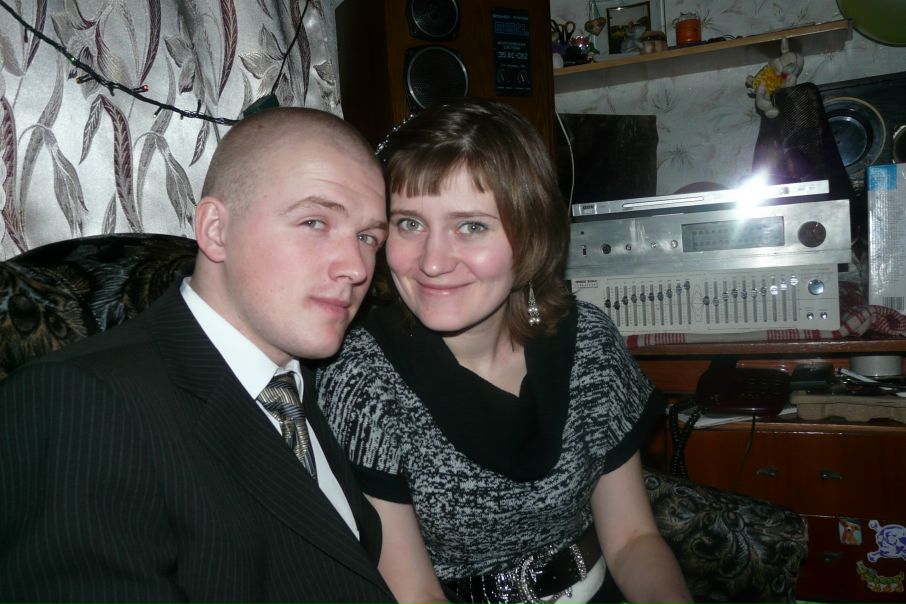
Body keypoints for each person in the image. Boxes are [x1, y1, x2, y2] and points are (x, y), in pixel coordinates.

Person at [0, 107, 396, 603]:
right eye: (314, 221)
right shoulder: (79, 402)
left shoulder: (304, 383)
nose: (356, 267)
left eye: (367, 237)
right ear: (215, 230)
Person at [317, 98, 693, 604]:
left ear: (530, 235)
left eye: (471, 226)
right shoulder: (361, 376)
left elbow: (632, 540)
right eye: (409, 223)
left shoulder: (589, 343)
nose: (432, 262)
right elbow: (415, 594)